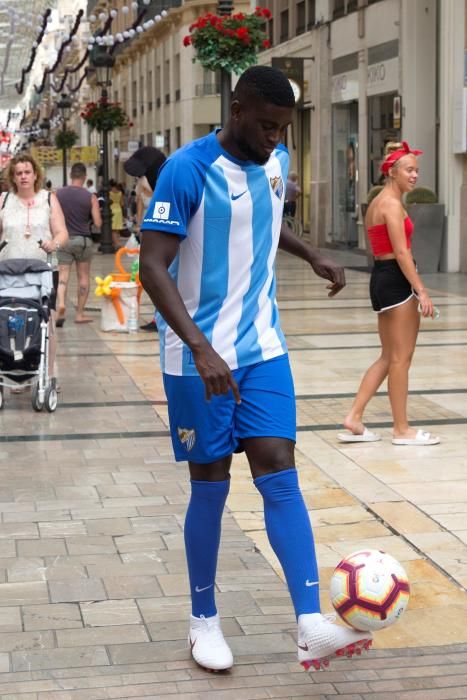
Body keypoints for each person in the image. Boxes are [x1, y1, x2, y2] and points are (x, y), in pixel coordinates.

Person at [139, 65, 372, 673]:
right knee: (211, 485)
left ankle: (309, 622)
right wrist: (198, 347)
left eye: (282, 128)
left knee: (279, 469)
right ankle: (202, 622)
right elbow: (153, 266)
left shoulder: (278, 159)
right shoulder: (187, 170)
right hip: (199, 361)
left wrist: (313, 253)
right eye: (265, 125)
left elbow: (265, 218)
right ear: (236, 109)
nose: (274, 137)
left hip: (262, 347)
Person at [339, 141, 440, 446]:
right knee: (401, 359)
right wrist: (421, 291)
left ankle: (354, 417)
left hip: (382, 279)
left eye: (417, 170)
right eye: (409, 170)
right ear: (392, 172)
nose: (414, 176)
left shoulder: (378, 202)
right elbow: (400, 251)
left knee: (388, 357)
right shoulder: (392, 205)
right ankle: (402, 429)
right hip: (395, 280)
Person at [0, 153, 69, 385]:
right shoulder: (4, 200)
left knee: (46, 322)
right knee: (11, 322)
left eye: (27, 172)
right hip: (9, 272)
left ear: (36, 174)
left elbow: (62, 232)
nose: (23, 177)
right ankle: (15, 371)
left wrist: (54, 243)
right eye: (18, 173)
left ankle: (47, 374)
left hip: (43, 270)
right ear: (13, 176)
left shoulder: (48, 199)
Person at [124, 146, 166, 332]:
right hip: (150, 233)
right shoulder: (144, 184)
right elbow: (141, 205)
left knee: (163, 278)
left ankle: (162, 319)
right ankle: (159, 318)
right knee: (155, 278)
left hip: (161, 237)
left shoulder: (165, 185)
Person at [55, 162, 102, 325]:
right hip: (83, 241)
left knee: (62, 275)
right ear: (84, 177)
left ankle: (61, 305)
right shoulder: (90, 196)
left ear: (70, 175)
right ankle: (80, 314)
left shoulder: (58, 194)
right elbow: (97, 223)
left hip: (64, 239)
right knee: (83, 277)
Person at [109, 179, 123, 250]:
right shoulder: (120, 193)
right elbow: (122, 203)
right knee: (117, 229)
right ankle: (116, 242)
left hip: (112, 210)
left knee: (112, 229)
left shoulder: (110, 193)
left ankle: (116, 243)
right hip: (119, 210)